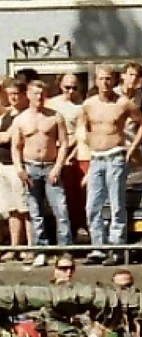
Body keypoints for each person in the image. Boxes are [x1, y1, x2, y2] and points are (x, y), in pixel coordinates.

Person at [79, 64, 142, 266]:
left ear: (114, 80)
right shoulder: (89, 104)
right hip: (96, 158)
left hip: (115, 156)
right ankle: (98, 247)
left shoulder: (124, 103)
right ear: (96, 81)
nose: (105, 83)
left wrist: (131, 150)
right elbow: (82, 125)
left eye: (108, 78)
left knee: (117, 204)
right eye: (101, 79)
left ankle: (116, 249)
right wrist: (86, 141)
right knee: (92, 205)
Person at [12, 80, 71, 267]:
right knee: (35, 212)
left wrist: (58, 167)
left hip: (51, 166)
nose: (39, 97)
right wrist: (19, 169)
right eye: (35, 93)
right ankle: (41, 249)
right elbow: (16, 147)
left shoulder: (55, 117)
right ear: (28, 95)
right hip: (30, 168)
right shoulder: (20, 120)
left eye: (42, 93)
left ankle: (65, 250)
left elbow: (64, 144)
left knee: (60, 209)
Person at [47, 73, 86, 238]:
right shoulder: (51, 104)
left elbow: (80, 136)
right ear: (60, 85)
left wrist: (70, 154)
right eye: (67, 87)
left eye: (74, 88)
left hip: (71, 153)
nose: (70, 91)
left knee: (72, 196)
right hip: (50, 154)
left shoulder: (81, 107)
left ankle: (75, 230)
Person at [0, 79, 29, 262]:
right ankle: (14, 246)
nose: (13, 98)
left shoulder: (23, 116)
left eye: (16, 94)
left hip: (18, 165)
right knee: (12, 209)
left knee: (24, 207)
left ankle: (29, 247)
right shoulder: (7, 115)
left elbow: (6, 138)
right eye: (10, 94)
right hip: (3, 165)